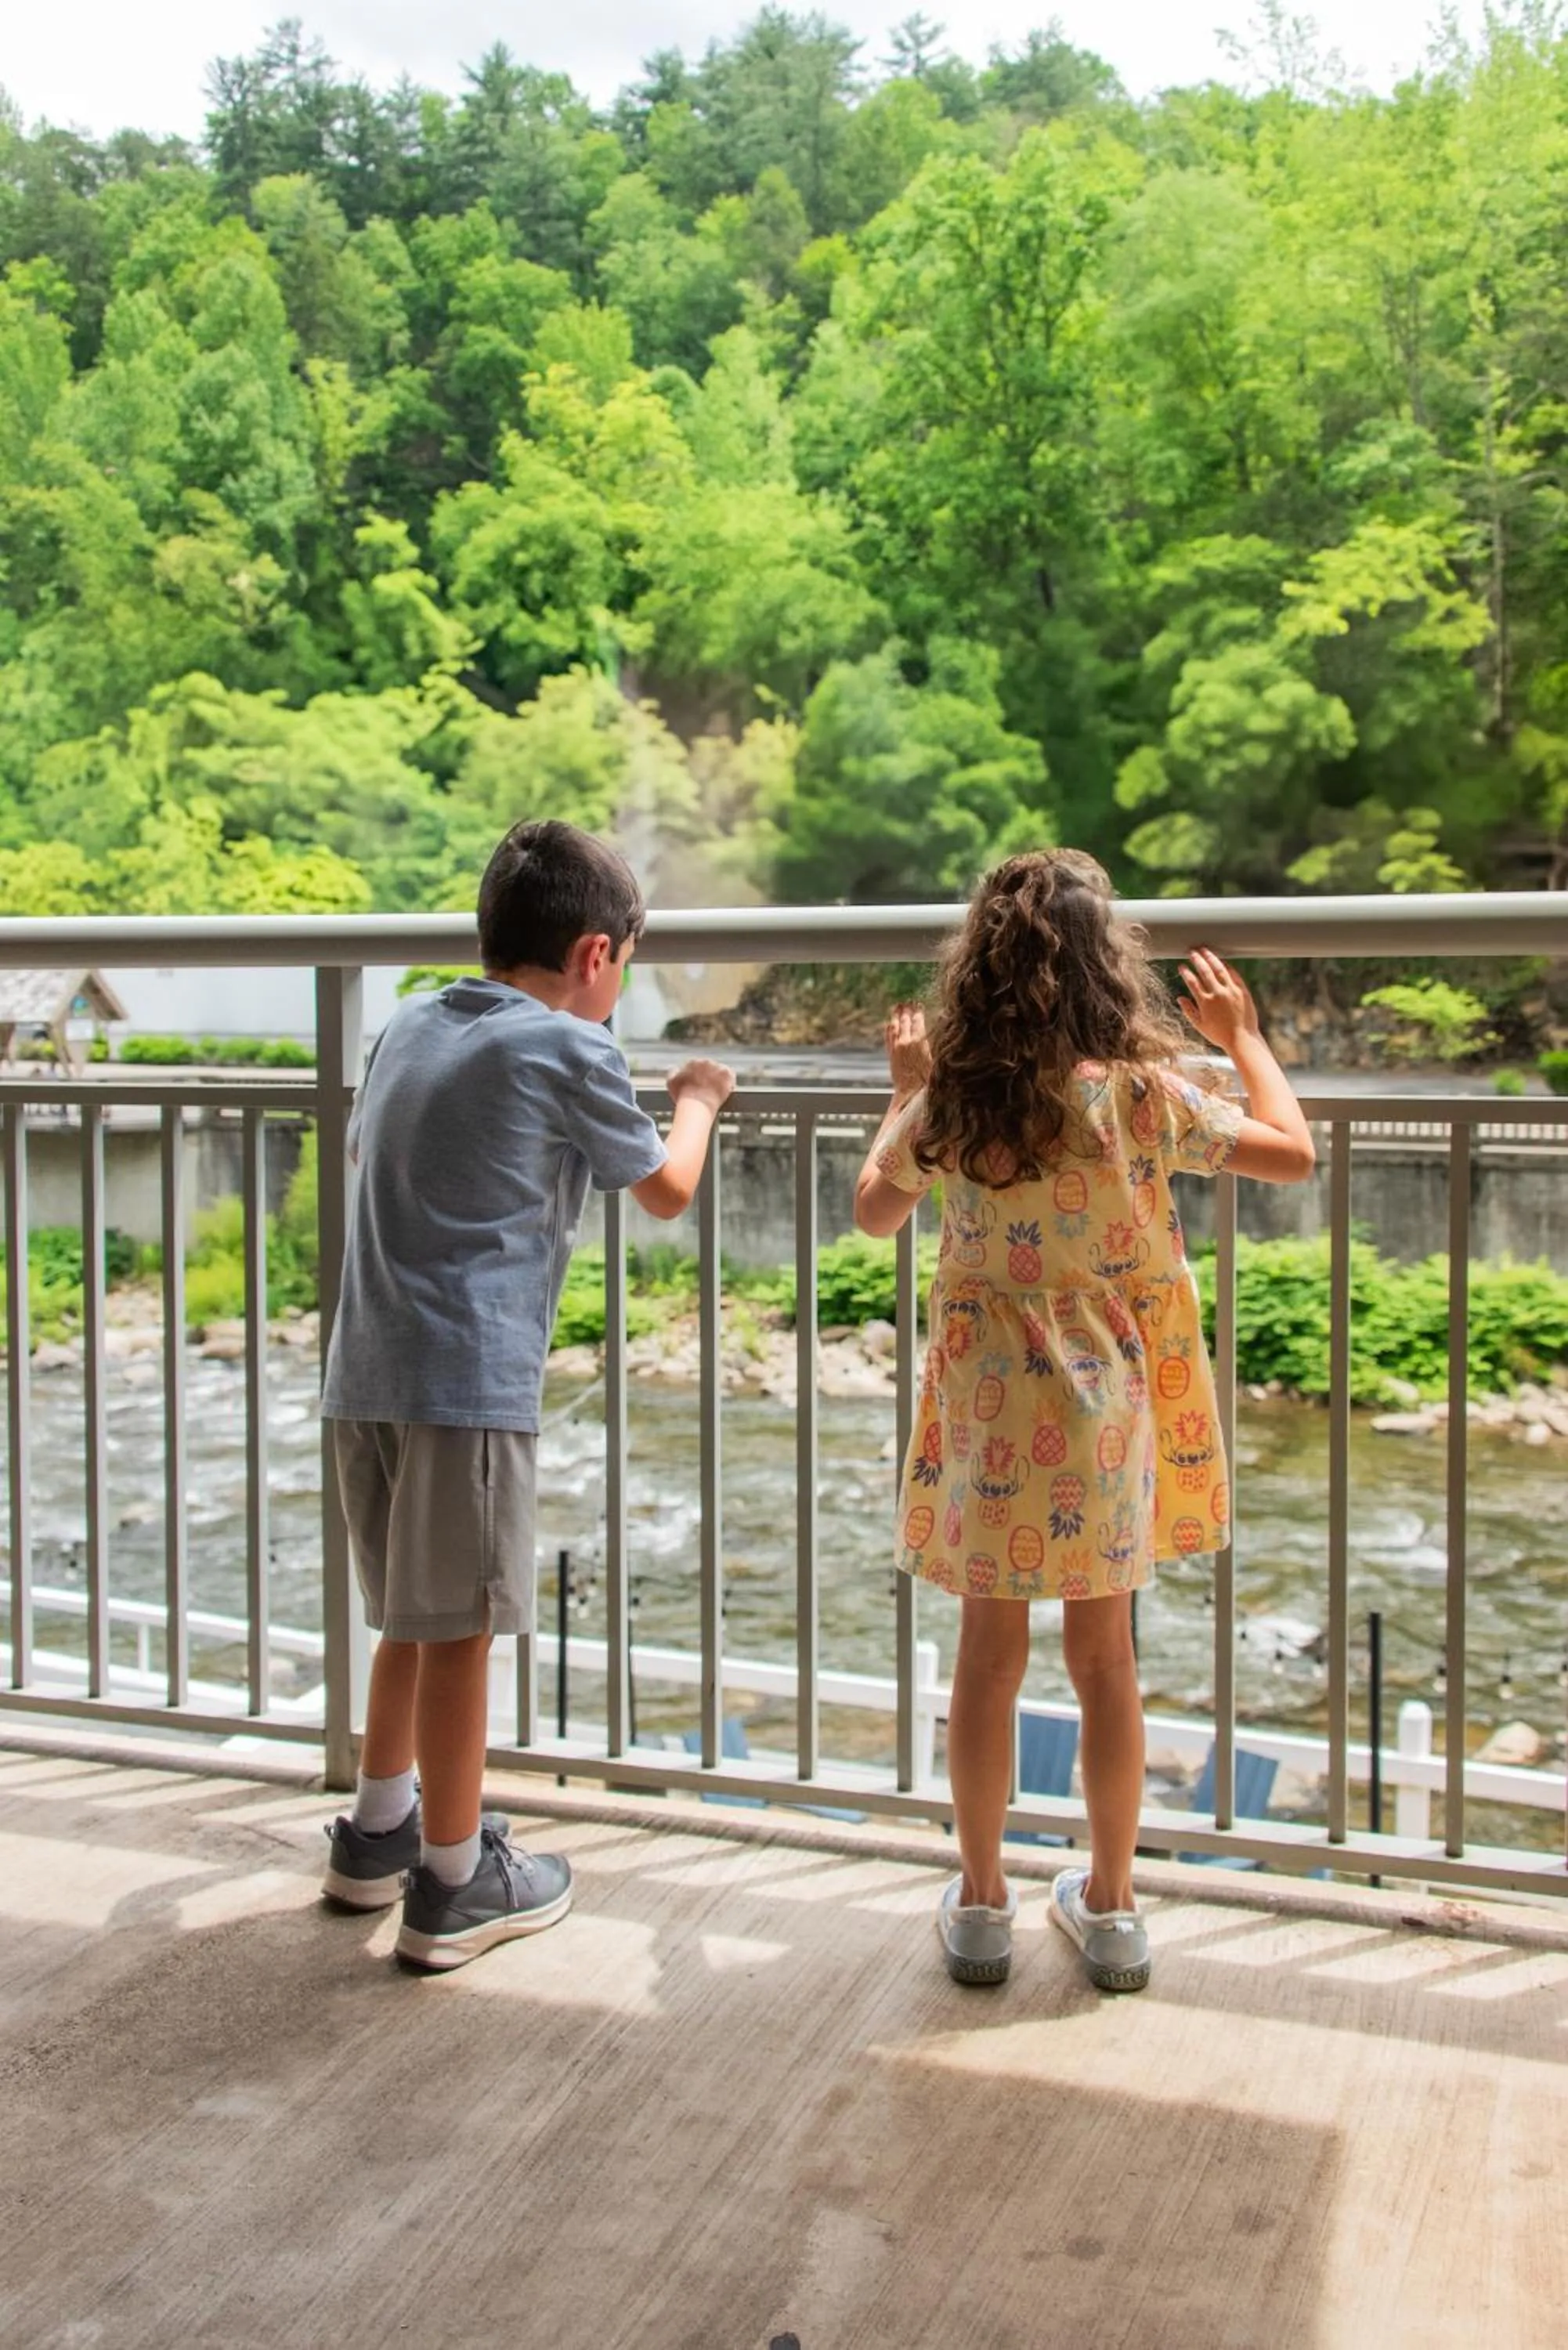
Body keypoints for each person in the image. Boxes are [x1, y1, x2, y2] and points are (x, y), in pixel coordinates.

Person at [853, 849, 1314, 1994]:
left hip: (987, 1411)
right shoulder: (1138, 1096)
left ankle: (978, 1903)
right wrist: (1242, 1036)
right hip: (1103, 1410)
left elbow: (874, 1211)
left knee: (986, 1662)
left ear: (978, 971)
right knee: (1105, 1663)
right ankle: (1111, 1911)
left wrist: (904, 1083)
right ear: (1106, 969)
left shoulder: (953, 1100)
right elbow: (1291, 1155)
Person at [320, 819, 734, 1969]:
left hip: (364, 1373)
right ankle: (455, 1885)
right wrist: (695, 1094)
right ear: (598, 955)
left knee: (410, 1611)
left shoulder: (412, 1019)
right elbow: (664, 1189)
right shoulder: (569, 1049)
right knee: (459, 1631)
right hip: (466, 1380)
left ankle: (377, 1834)